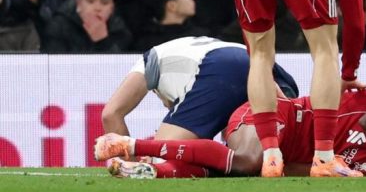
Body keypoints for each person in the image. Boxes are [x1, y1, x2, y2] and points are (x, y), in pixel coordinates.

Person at [229, 0, 366, 178]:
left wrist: (261, 71)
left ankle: (270, 157)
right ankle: (325, 158)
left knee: (260, 54)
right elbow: (355, 18)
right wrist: (349, 71)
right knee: (325, 49)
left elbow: (252, 43)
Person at [96, 87, 366, 179]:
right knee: (249, 160)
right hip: (276, 112)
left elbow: (304, 169)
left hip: (285, 149)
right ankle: (128, 144)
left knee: (241, 172)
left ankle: (149, 169)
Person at [99, 36, 297, 140]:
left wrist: (130, 164)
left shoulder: (149, 60)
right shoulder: (184, 53)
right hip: (267, 68)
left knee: (161, 155)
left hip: (218, 66)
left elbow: (111, 114)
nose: (169, 108)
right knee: (245, 154)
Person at [42, 0, 131, 52]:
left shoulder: (119, 29)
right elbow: (57, 66)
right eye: (90, 1)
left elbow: (120, 67)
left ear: (112, 7)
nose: (97, 8)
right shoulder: (58, 27)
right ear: (78, 3)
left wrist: (102, 42)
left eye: (105, 3)